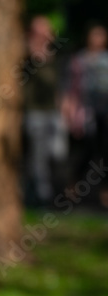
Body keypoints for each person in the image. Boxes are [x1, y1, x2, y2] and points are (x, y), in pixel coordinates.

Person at [22, 16, 67, 206]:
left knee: (58, 152)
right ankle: (42, 196)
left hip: (53, 112)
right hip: (35, 111)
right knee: (38, 156)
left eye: (47, 30)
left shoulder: (55, 55)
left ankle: (48, 189)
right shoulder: (26, 53)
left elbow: (57, 83)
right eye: (40, 30)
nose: (45, 34)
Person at [63, 23, 108, 206]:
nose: (97, 39)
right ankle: (73, 185)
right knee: (87, 150)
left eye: (101, 35)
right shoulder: (79, 59)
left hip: (105, 110)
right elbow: (70, 86)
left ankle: (105, 191)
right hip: (86, 110)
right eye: (94, 35)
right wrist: (69, 108)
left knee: (106, 150)